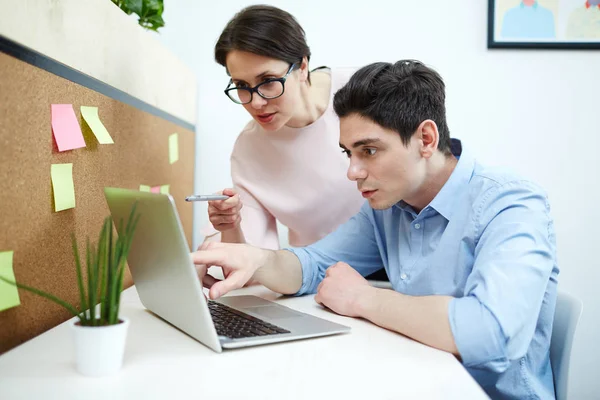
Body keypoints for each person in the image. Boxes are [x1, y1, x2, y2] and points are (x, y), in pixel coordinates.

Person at [193, 60, 559, 399]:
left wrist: (362, 298)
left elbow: (490, 333)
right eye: (347, 153)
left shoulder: (511, 204)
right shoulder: (387, 208)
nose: (352, 171)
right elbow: (311, 265)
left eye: (368, 151)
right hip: (414, 382)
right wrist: (253, 259)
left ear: (426, 140)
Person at [202, 5, 388, 281]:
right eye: (241, 85)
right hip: (317, 279)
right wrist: (230, 226)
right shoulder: (249, 151)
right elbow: (256, 262)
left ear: (302, 67)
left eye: (268, 81)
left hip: (397, 266)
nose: (256, 102)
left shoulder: (366, 91)